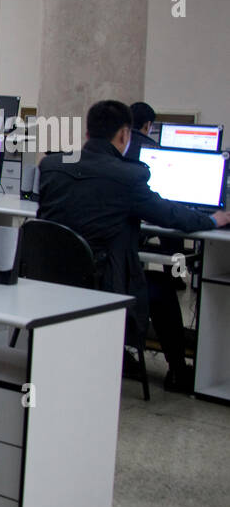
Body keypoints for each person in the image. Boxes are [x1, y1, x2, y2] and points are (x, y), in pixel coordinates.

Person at [37, 100, 230, 393]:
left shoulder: (52, 165)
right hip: (101, 284)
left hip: (51, 280)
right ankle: (178, 373)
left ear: (88, 133)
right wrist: (214, 220)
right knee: (163, 287)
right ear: (125, 135)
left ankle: (121, 355)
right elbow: (171, 216)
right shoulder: (128, 176)